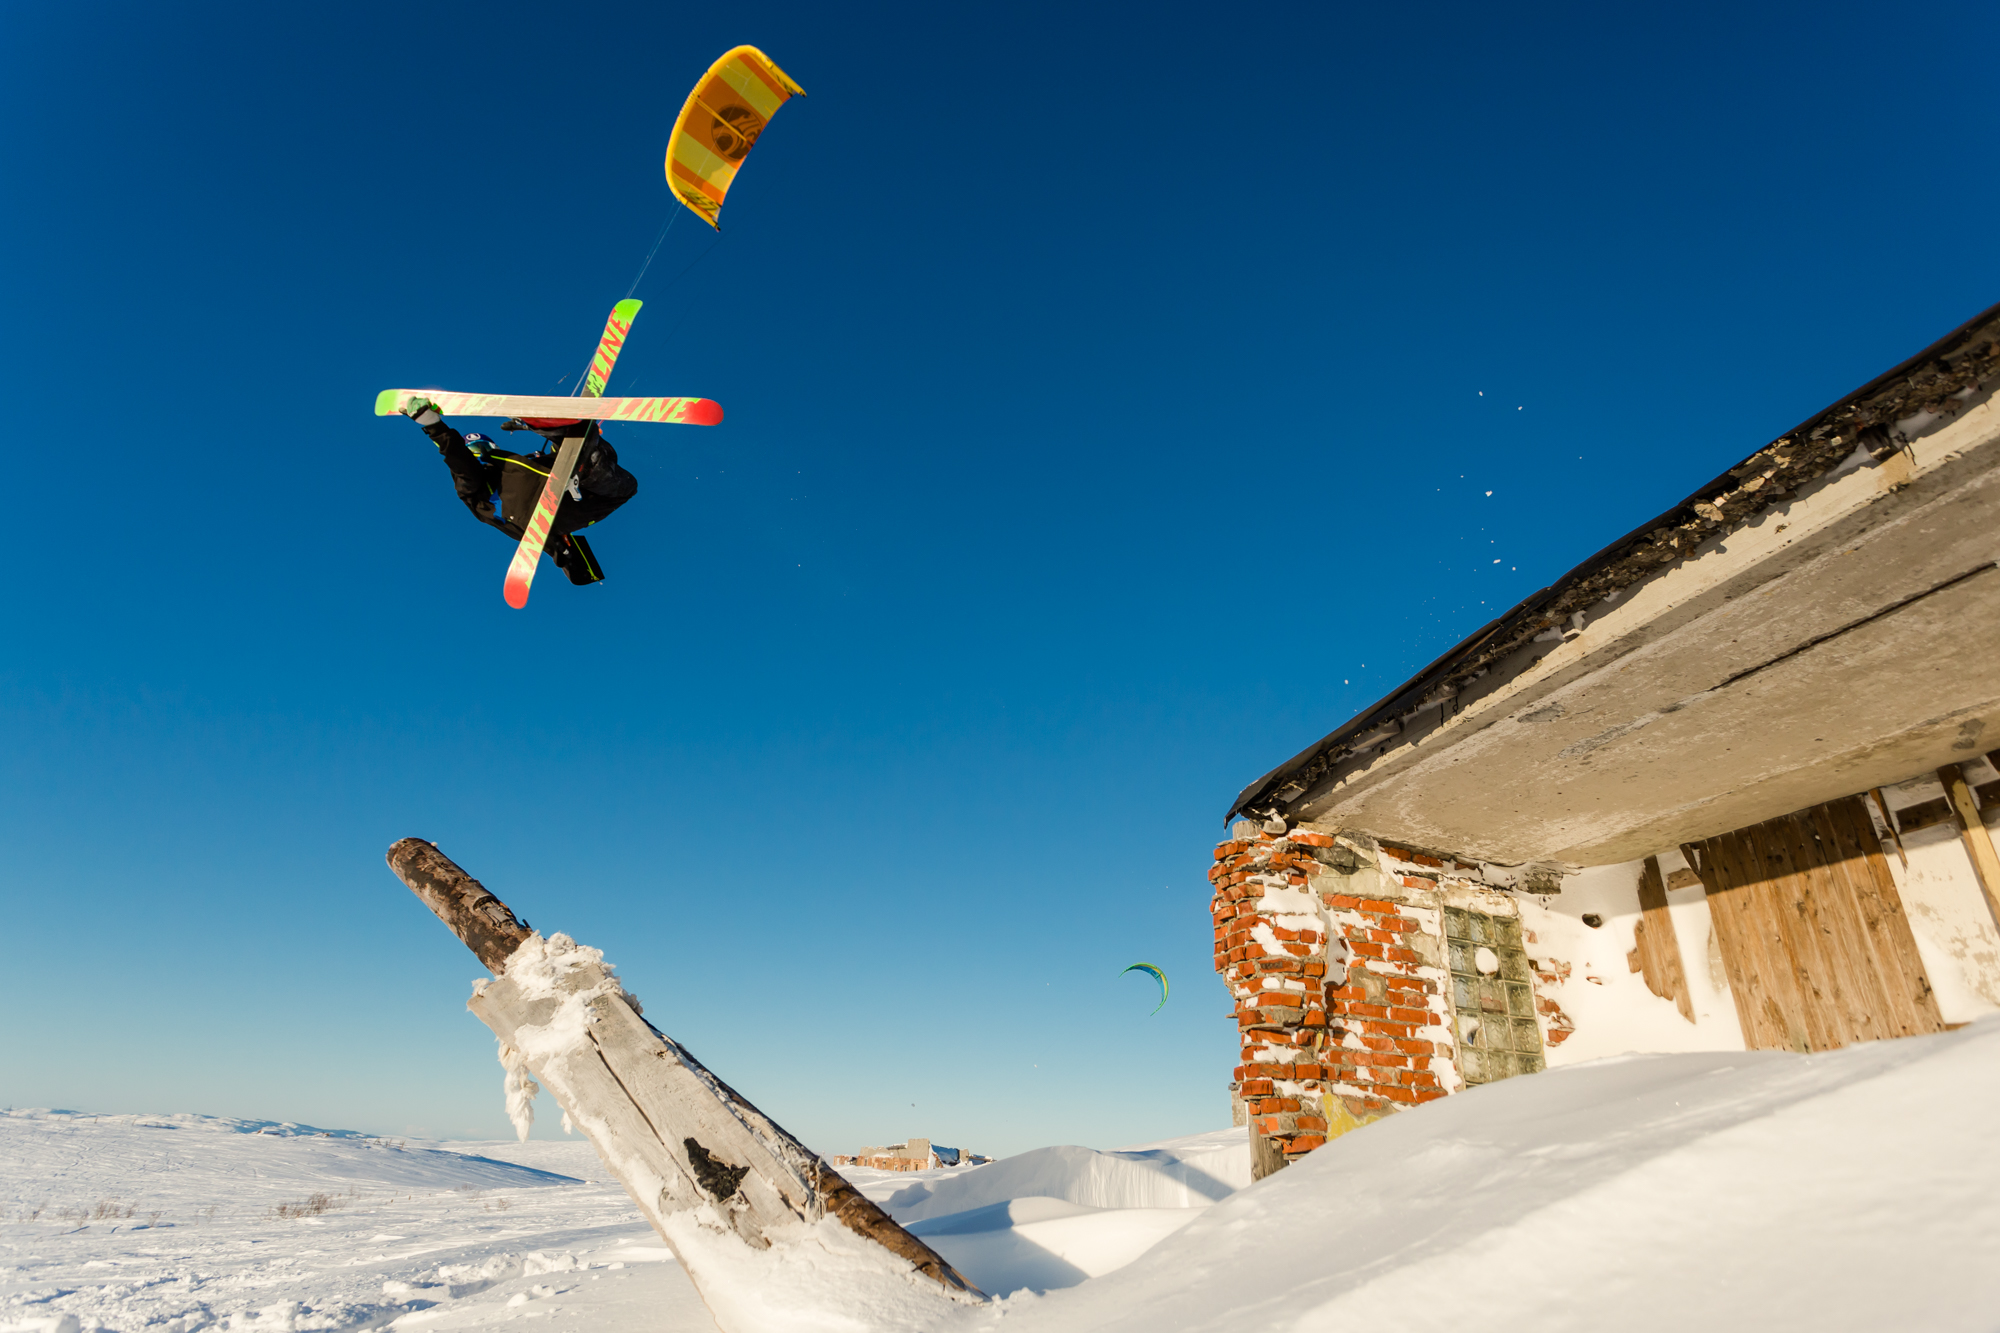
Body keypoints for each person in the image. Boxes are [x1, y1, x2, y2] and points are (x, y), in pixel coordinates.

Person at [402, 399, 638, 584]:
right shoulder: (480, 482)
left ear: (492, 448)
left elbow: (459, 459)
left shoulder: (515, 467)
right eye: (474, 449)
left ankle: (569, 435)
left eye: (482, 448)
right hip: (562, 505)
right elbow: (460, 462)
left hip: (565, 498)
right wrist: (434, 426)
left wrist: (564, 555)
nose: (479, 454)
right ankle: (569, 439)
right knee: (615, 479)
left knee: (590, 459)